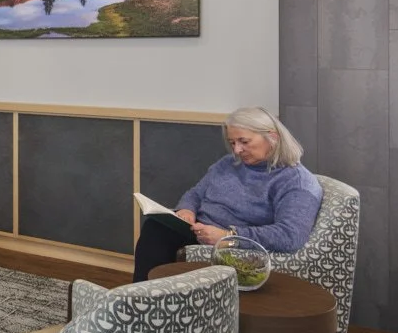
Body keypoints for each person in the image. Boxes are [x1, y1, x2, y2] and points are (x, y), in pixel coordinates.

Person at [133, 107, 322, 282]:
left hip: (229, 243)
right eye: (233, 143)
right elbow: (196, 193)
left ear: (272, 137)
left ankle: (151, 304)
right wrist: (186, 210)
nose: (237, 150)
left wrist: (229, 236)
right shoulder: (228, 164)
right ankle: (140, 301)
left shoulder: (295, 182)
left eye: (244, 142)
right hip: (195, 230)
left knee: (157, 237)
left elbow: (290, 235)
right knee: (156, 227)